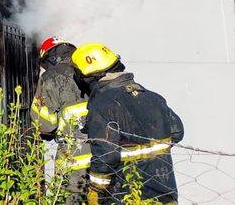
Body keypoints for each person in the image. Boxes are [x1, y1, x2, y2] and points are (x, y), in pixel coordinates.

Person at [72, 43, 184, 205]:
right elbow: (177, 132)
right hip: (164, 193)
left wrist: (96, 190)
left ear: (89, 77)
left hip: (125, 196)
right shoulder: (153, 97)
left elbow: (106, 156)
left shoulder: (103, 104)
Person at [30, 37, 91, 205]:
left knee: (69, 199)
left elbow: (44, 124)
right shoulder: (90, 69)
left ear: (50, 58)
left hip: (74, 157)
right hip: (106, 156)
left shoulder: (51, 77)